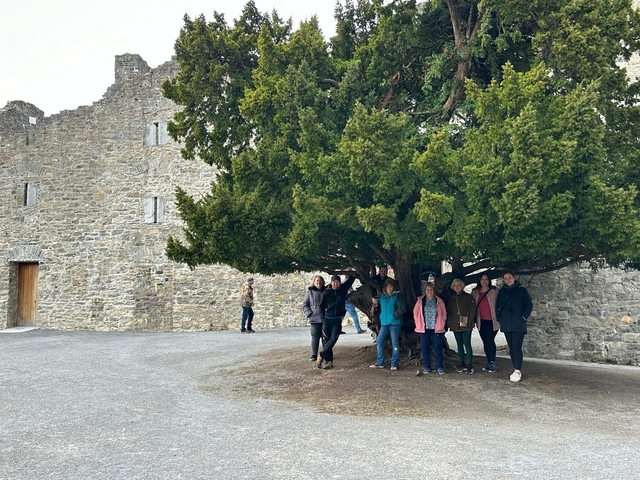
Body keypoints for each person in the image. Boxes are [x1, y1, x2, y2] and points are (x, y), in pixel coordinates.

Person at [495, 271, 533, 383]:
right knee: (511, 346)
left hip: (518, 323)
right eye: (505, 278)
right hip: (507, 322)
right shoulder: (502, 291)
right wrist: (499, 317)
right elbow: (498, 305)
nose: (507, 280)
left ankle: (517, 370)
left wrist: (523, 318)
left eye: (509, 277)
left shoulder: (521, 290)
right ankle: (515, 367)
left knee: (516, 346)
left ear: (514, 278)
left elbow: (528, 305)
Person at [318, 274, 357, 369]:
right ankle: (329, 361)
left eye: (337, 282)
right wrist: (322, 319)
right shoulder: (326, 293)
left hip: (337, 320)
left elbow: (350, 280)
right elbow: (320, 306)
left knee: (333, 339)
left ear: (340, 282)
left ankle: (321, 355)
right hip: (327, 319)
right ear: (331, 283)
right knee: (326, 340)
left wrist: (352, 272)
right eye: (334, 282)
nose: (336, 283)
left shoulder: (342, 289)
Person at [369, 278, 406, 371]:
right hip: (384, 323)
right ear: (385, 287)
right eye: (388, 286)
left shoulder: (397, 295)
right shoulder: (382, 296)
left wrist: (395, 315)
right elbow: (376, 303)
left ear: (394, 287)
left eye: (391, 286)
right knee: (379, 341)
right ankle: (379, 362)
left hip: (395, 323)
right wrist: (374, 303)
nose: (389, 288)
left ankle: (394, 363)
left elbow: (402, 308)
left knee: (395, 343)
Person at [413, 282, 447, 375]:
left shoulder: (439, 301)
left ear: (434, 290)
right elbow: (415, 312)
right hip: (424, 328)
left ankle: (440, 366)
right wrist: (417, 322)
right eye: (427, 290)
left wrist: (442, 322)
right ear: (425, 291)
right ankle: (426, 366)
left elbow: (444, 313)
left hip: (436, 327)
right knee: (425, 347)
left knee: (438, 346)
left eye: (431, 289)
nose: (429, 291)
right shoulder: (420, 300)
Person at [447, 278, 477, 374]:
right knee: (459, 345)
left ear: (462, 286)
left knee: (467, 344)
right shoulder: (451, 298)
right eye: (455, 285)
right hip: (456, 324)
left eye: (458, 285)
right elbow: (450, 311)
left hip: (466, 323)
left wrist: (470, 321)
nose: (457, 287)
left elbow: (473, 310)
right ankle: (461, 363)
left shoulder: (468, 297)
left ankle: (469, 364)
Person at [472, 274, 500, 373]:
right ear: (479, 280)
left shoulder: (495, 291)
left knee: (489, 340)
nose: (484, 281)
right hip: (481, 321)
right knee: (485, 341)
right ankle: (489, 362)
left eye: (486, 279)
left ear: (489, 280)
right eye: (482, 279)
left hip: (492, 321)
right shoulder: (475, 292)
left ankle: (492, 362)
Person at [302, 275, 326, 361]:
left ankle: (326, 354)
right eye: (317, 281)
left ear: (322, 282)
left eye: (320, 281)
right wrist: (309, 314)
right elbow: (305, 305)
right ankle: (314, 354)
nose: (318, 282)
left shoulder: (326, 291)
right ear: (314, 282)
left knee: (325, 337)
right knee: (315, 337)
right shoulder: (309, 292)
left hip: (325, 318)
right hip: (314, 319)